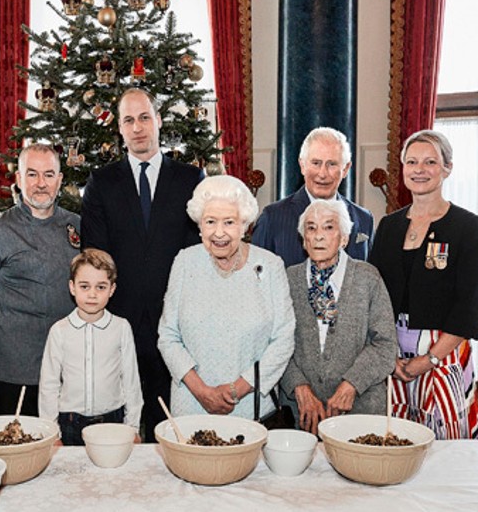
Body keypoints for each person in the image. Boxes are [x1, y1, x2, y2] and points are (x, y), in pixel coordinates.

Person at [81, 87, 203, 441]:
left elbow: (197, 252)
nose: (138, 128)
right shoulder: (101, 183)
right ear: (119, 128)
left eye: (144, 117)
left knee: (171, 427)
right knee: (125, 426)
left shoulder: (189, 180)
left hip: (176, 325)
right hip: (121, 322)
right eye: (129, 120)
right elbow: (96, 254)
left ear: (159, 121)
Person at [368, 129, 478, 440]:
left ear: (447, 168)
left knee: (446, 444)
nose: (419, 170)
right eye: (412, 162)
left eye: (430, 162)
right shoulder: (389, 226)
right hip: (391, 351)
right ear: (403, 169)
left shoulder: (467, 227)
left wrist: (430, 358)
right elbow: (373, 295)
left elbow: (469, 305)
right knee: (394, 442)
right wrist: (386, 354)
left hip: (444, 351)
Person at [157, 175, 295, 419]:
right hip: (191, 405)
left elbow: (283, 340)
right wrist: (201, 392)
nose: (219, 233)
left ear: (244, 225)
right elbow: (168, 336)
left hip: (252, 408)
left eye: (229, 222)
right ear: (199, 225)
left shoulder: (271, 266)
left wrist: (236, 389)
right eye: (210, 222)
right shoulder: (185, 262)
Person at [0, 142, 80, 416]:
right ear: (19, 180)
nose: (41, 183)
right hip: (15, 367)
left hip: (69, 364)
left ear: (59, 180)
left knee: (68, 449)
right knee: (19, 445)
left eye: (48, 175)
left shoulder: (77, 226)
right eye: (32, 174)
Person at [280, 199, 397, 435]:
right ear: (304, 240)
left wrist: (351, 384)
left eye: (329, 227)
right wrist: (299, 387)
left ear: (344, 238)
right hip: (302, 414)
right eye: (311, 228)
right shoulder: (287, 280)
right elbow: (275, 344)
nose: (319, 236)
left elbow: (385, 345)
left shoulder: (368, 278)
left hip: (362, 410)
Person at [38, 249, 143, 445]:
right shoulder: (59, 330)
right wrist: (52, 433)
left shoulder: (121, 327)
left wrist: (133, 427)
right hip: (70, 424)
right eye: (84, 286)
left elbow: (131, 381)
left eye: (101, 287)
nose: (92, 294)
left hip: (113, 423)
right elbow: (49, 385)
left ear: (112, 289)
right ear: (72, 287)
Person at [252, 127, 374, 267]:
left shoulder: (364, 219)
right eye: (316, 163)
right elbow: (255, 278)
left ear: (345, 169)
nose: (322, 174)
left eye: (332, 164)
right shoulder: (272, 218)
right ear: (302, 165)